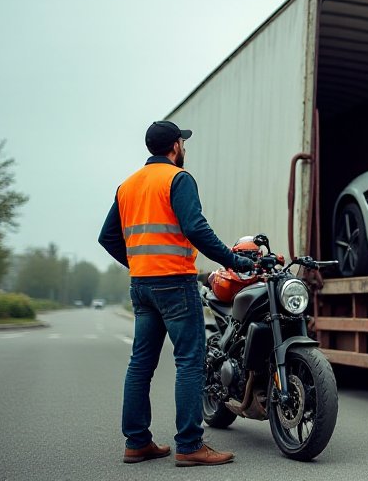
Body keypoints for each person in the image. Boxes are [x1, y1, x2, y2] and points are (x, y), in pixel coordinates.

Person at [99, 120, 254, 467]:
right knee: (189, 363)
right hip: (174, 283)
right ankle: (189, 445)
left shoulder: (128, 186)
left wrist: (140, 262)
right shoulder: (177, 179)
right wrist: (235, 261)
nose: (184, 148)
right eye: (182, 143)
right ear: (174, 147)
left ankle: (137, 442)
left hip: (142, 285)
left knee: (140, 365)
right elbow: (196, 228)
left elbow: (107, 237)